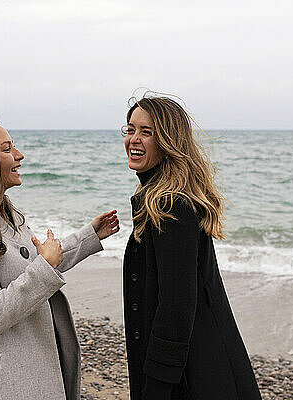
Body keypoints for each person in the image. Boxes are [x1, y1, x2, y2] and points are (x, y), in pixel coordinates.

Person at [0, 116, 119, 400]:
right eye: (7, 149)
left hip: (37, 362)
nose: (19, 155)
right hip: (4, 381)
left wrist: (89, 236)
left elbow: (38, 265)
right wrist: (45, 265)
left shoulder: (8, 215)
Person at [121, 94, 262, 399]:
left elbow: (176, 305)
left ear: (169, 140)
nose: (134, 139)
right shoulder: (158, 198)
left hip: (196, 374)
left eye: (147, 132)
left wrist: (156, 387)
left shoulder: (171, 205)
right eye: (130, 129)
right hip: (193, 364)